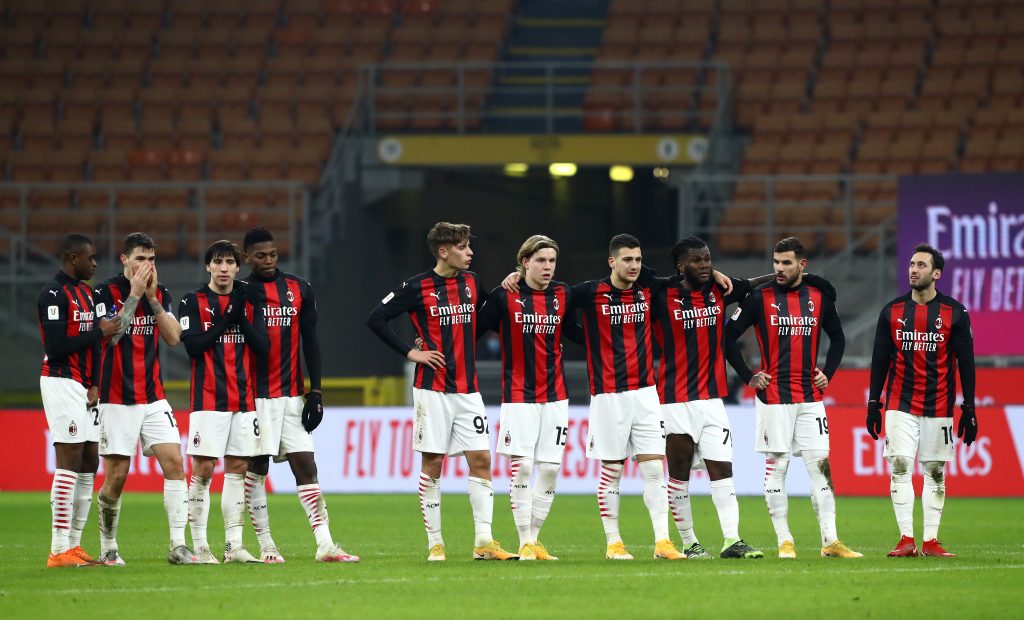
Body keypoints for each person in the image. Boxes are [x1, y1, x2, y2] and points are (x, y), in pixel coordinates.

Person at [548, 234, 726, 561]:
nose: (634, 265)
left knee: (655, 470)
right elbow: (552, 304)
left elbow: (688, 275)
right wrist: (587, 339)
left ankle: (663, 543)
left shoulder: (649, 289)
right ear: (611, 261)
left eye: (638, 260)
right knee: (612, 471)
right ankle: (614, 543)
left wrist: (715, 274)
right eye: (627, 259)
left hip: (646, 394)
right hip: (608, 396)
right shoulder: (588, 293)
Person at [367, 222, 517, 561]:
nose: (470, 253)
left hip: (468, 390)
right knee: (433, 462)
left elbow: (478, 324)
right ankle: (435, 542)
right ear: (444, 251)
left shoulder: (472, 282)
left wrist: (508, 285)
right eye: (463, 247)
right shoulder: (416, 286)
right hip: (432, 390)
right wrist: (412, 352)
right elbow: (376, 318)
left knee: (481, 459)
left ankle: (484, 542)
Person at [725, 237, 861, 560]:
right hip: (773, 396)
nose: (779, 269)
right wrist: (748, 377)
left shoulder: (818, 297)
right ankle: (785, 540)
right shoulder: (759, 297)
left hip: (810, 396)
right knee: (777, 467)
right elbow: (727, 336)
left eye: (786, 263)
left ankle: (831, 540)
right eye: (776, 262)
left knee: (821, 467)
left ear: (802, 264)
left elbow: (838, 336)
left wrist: (828, 371)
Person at [241, 227, 359, 563]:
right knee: (257, 466)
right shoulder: (241, 292)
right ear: (247, 257)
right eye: (260, 256)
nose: (268, 261)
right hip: (255, 397)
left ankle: (326, 544)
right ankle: (266, 546)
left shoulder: (298, 289)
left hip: (292, 395)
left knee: (306, 465)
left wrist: (316, 392)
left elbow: (311, 342)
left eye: (273, 254)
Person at [653, 236, 770, 560]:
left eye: (707, 259)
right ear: (680, 266)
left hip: (711, 398)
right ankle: (690, 543)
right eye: (696, 260)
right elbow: (639, 278)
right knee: (678, 472)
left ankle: (732, 540)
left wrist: (791, 276)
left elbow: (751, 285)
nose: (704, 265)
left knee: (722, 468)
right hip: (673, 399)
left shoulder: (719, 289)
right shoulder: (662, 294)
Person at [866, 243, 976, 558]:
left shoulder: (955, 313)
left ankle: (930, 541)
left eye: (922, 265)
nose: (914, 269)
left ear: (936, 273)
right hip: (900, 403)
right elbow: (879, 360)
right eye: (912, 264)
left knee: (935, 470)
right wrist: (874, 403)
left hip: (940, 405)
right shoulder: (892, 311)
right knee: (899, 465)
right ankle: (905, 539)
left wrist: (969, 408)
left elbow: (966, 362)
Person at [476, 235, 581, 561]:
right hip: (519, 395)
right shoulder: (504, 296)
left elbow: (578, 332)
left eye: (551, 261)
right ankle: (523, 541)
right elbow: (472, 329)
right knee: (522, 467)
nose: (547, 267)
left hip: (556, 395)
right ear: (524, 262)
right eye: (541, 261)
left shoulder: (563, 294)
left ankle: (534, 540)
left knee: (549, 469)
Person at [93, 233, 196, 565]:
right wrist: (135, 295)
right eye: (140, 259)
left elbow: (173, 337)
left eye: (152, 259)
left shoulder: (161, 292)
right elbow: (111, 336)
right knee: (117, 476)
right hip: (115, 398)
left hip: (153, 397)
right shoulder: (104, 292)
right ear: (125, 260)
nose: (147, 265)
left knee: (175, 464)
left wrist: (151, 299)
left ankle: (178, 546)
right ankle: (108, 545)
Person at [178, 240, 268, 564]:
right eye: (218, 262)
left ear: (237, 267)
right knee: (202, 470)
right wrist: (227, 317)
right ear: (208, 267)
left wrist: (239, 316)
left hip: (243, 400)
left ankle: (234, 546)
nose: (225, 268)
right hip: (208, 399)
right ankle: (201, 547)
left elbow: (263, 346)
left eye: (230, 262)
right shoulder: (192, 301)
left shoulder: (250, 299)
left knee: (238, 469)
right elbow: (193, 347)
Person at [38, 233, 120, 566]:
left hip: (85, 386)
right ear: (74, 258)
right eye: (91, 257)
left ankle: (74, 546)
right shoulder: (53, 295)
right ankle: (58, 549)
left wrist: (95, 384)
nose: (95, 263)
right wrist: (99, 331)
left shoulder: (87, 294)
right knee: (69, 460)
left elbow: (96, 345)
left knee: (89, 461)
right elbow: (57, 346)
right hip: (60, 381)